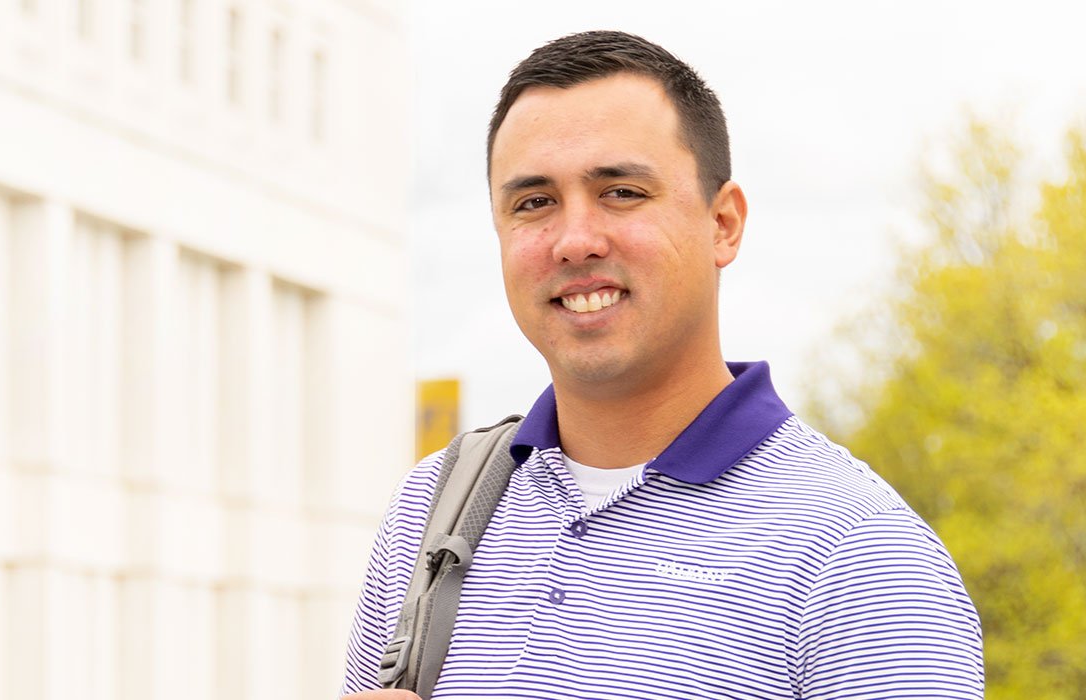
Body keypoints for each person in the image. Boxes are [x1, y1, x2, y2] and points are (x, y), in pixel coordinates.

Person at [339, 31, 984, 699]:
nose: (575, 240)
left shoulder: (861, 557)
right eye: (534, 203)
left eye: (621, 192)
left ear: (723, 223)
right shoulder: (431, 511)